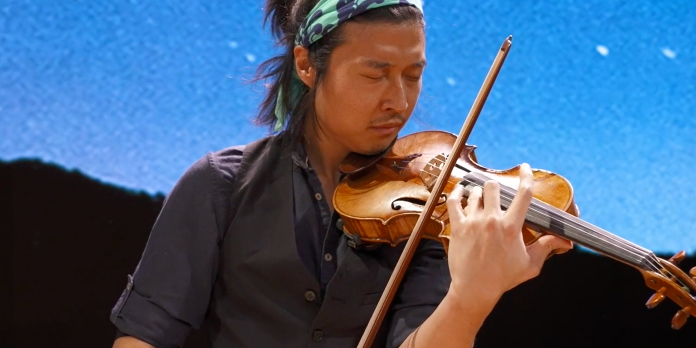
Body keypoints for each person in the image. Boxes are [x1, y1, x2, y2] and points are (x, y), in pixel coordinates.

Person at [110, 0, 573, 347]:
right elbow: (144, 336)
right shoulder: (220, 185)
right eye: (376, 75)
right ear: (307, 64)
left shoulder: (432, 206)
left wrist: (471, 297)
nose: (399, 100)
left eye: (413, 75)